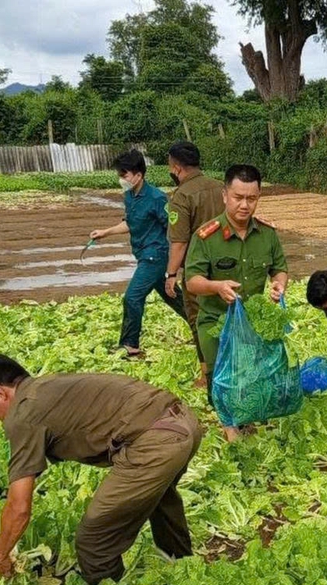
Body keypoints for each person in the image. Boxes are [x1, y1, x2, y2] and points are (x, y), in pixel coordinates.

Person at [0, 354, 202, 585]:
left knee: (94, 539)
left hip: (156, 440)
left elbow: (18, 507)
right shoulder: (47, 386)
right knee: (159, 497)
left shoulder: (22, 414)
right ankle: (182, 570)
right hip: (184, 421)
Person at [183, 164, 289, 441]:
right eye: (238, 197)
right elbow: (192, 281)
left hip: (251, 321)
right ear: (224, 196)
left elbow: (279, 268)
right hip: (215, 321)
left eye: (251, 198)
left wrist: (279, 285)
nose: (244, 205)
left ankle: (245, 416)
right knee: (221, 374)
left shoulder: (267, 234)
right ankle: (229, 424)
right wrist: (216, 286)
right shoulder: (206, 236)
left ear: (258, 197)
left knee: (251, 376)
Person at [89, 149, 176, 360]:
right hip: (142, 254)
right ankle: (200, 324)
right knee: (173, 296)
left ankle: (130, 346)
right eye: (120, 175)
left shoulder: (157, 197)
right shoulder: (129, 196)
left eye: (124, 175)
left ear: (138, 175)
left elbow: (174, 228)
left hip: (155, 256)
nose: (121, 179)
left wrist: (176, 262)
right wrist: (105, 233)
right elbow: (130, 222)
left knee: (132, 298)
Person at [162, 142, 228, 386]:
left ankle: (207, 374)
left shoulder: (181, 196)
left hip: (198, 271)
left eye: (170, 166)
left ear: (177, 167)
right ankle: (229, 364)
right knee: (225, 315)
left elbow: (178, 242)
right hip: (225, 265)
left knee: (199, 319)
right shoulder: (220, 187)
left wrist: (171, 275)